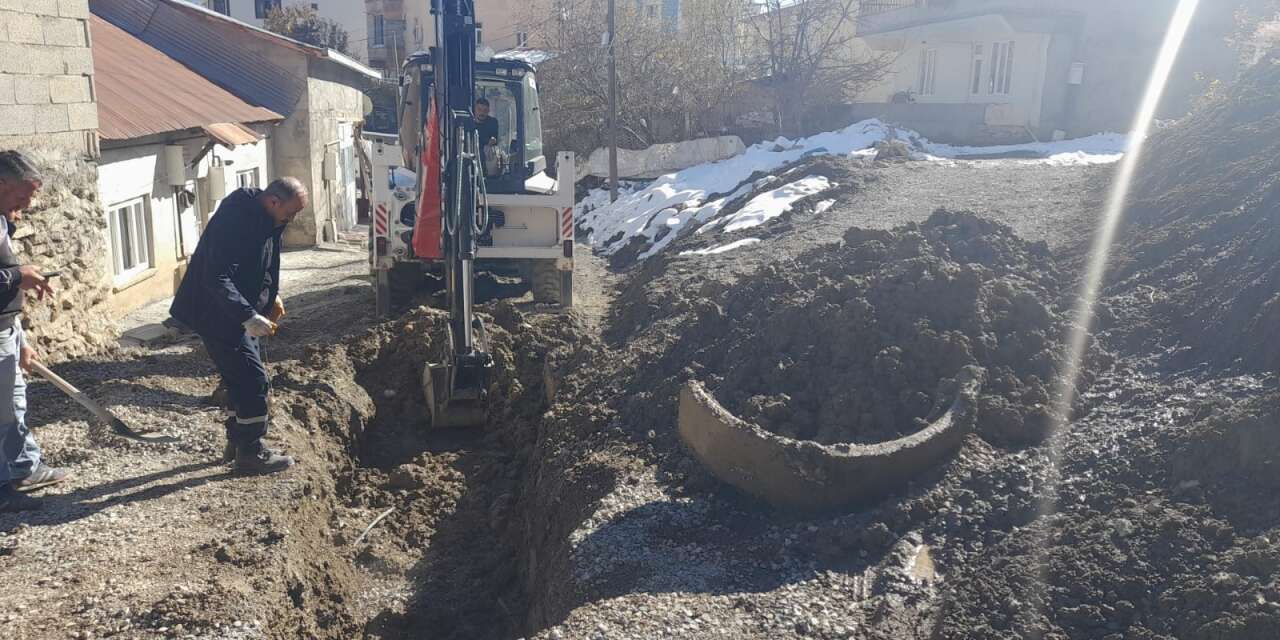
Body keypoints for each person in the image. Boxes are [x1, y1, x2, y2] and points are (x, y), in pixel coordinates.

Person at [170, 178, 306, 476]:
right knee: (253, 381)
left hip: (237, 311)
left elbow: (259, 264)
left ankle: (236, 442)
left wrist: (271, 295)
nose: (292, 219)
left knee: (237, 381)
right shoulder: (237, 220)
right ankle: (251, 452)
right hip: (217, 313)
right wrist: (247, 315)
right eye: (291, 212)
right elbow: (216, 276)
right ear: (273, 202)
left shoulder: (268, 219)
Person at [0, 151, 65, 513]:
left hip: (5, 328)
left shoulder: (2, 221)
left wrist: (20, 338)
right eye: (22, 196)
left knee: (14, 404)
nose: (27, 205)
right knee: (0, 412)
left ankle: (24, 468)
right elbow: (8, 276)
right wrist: (17, 275)